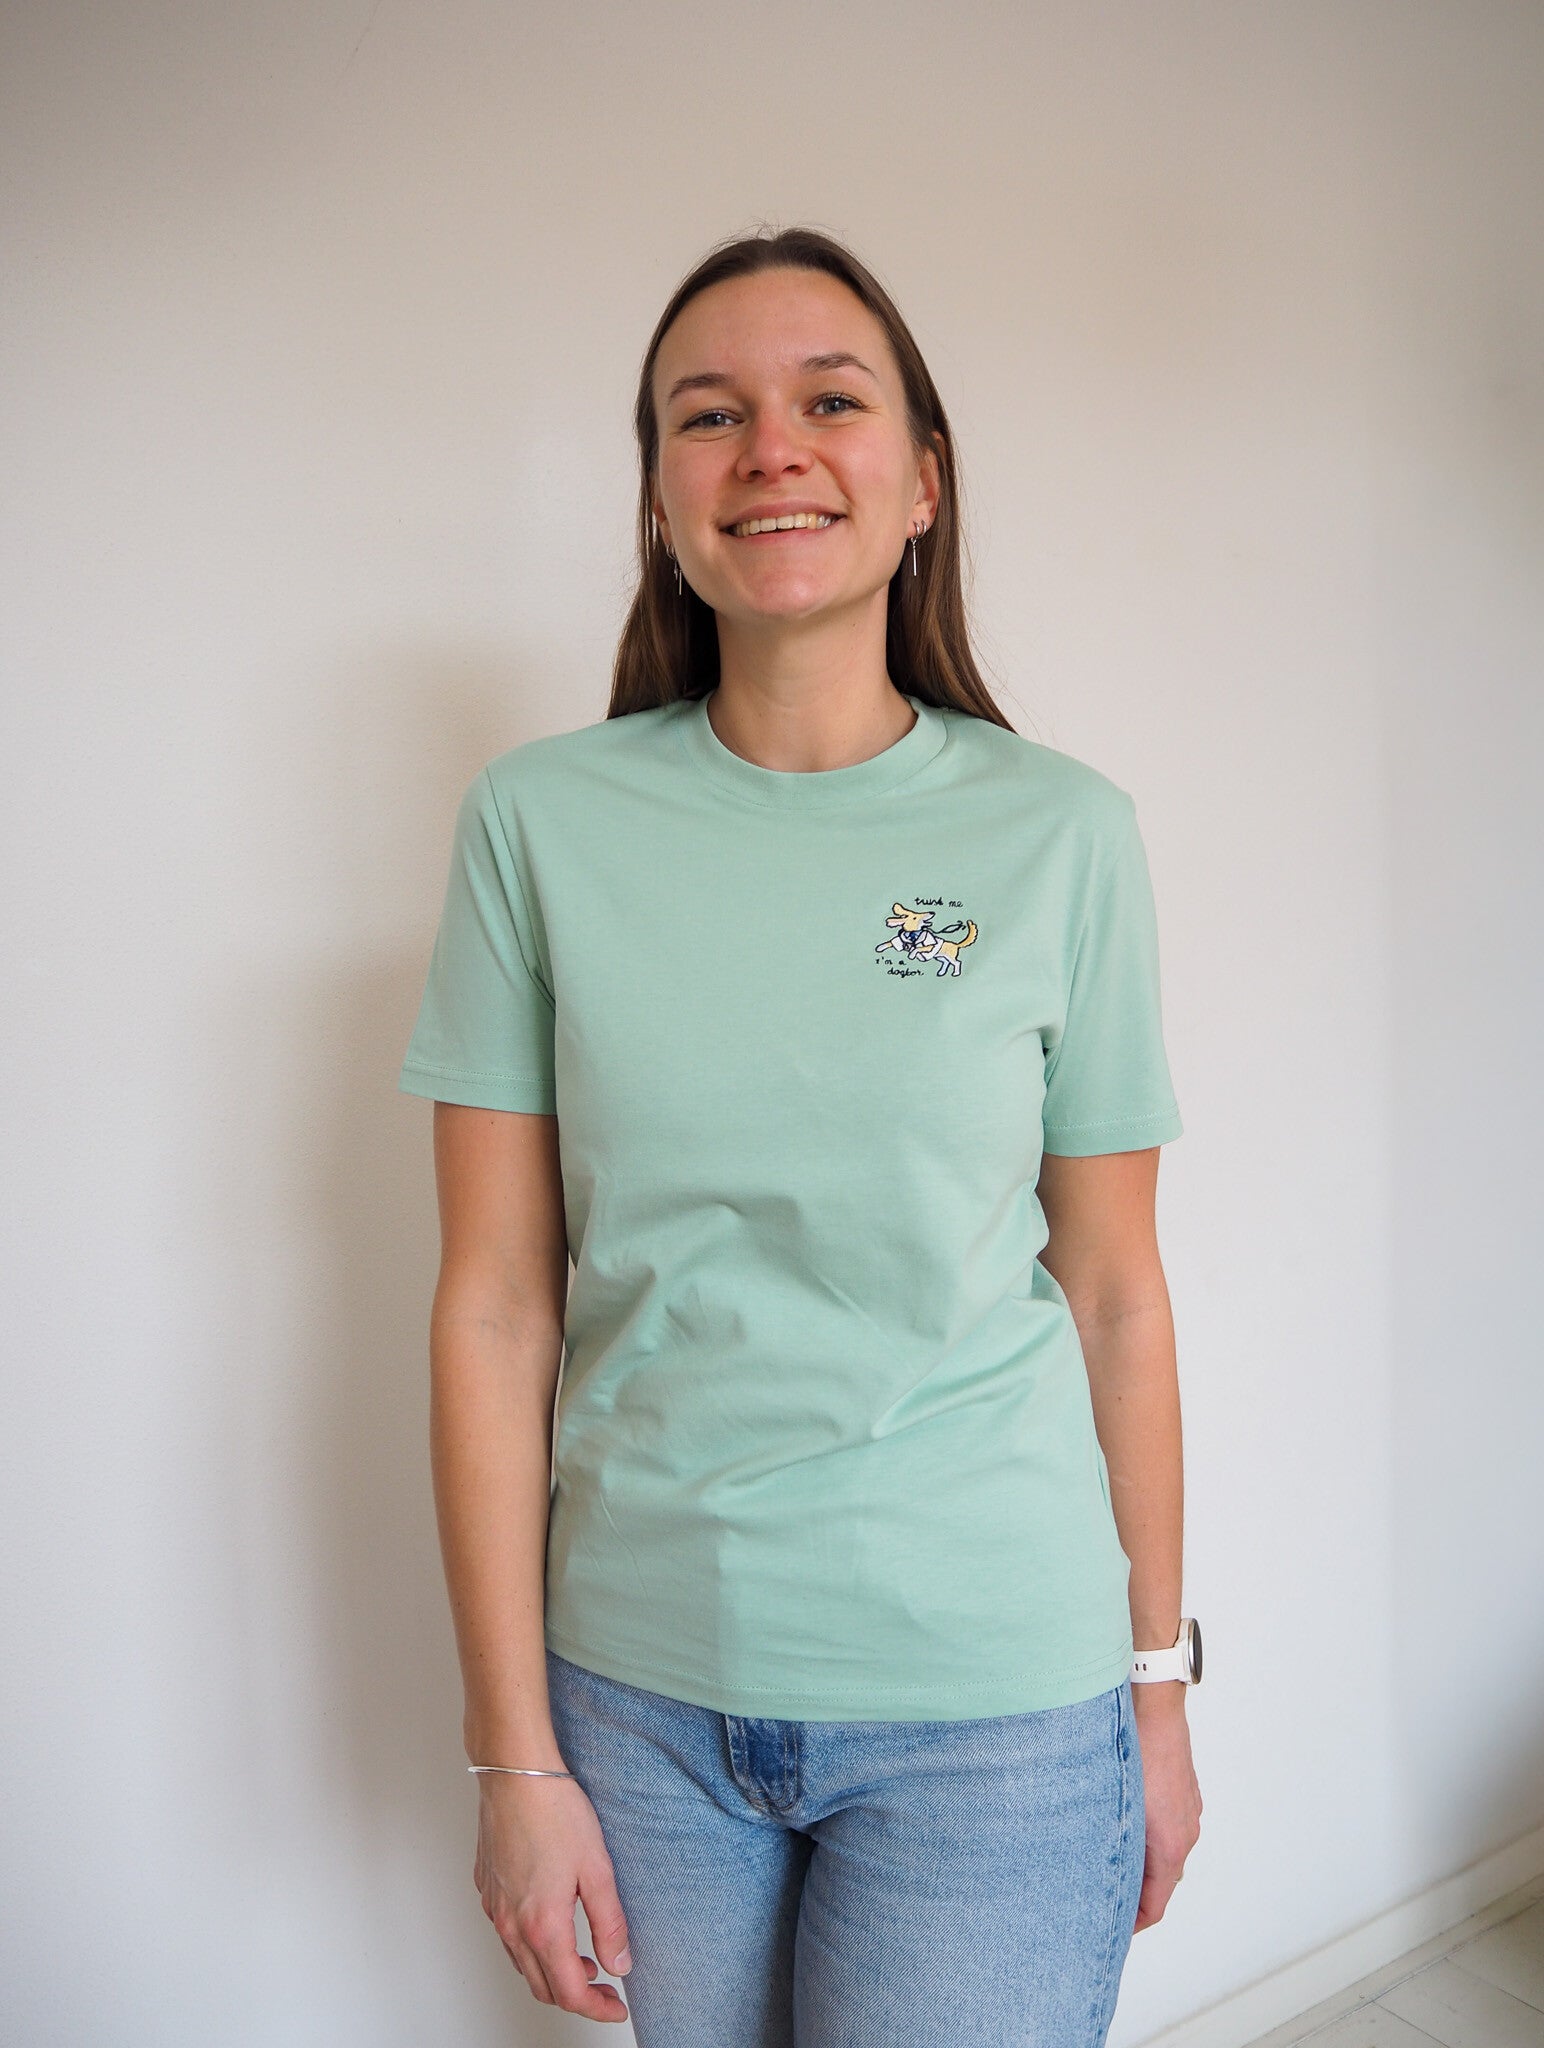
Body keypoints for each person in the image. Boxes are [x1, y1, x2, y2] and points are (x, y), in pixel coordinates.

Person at [398, 224, 1203, 2046]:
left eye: (830, 402)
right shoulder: (537, 826)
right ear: (662, 497)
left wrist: (1156, 1688)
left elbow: (1116, 1296)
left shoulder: (1061, 835)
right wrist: (510, 1754)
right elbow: (496, 1306)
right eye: (709, 415)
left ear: (921, 483)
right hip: (637, 1700)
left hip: (994, 1707)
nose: (771, 448)